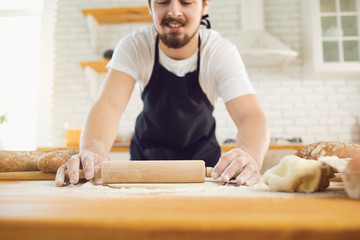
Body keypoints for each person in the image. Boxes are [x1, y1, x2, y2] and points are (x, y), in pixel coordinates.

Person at [55, 0, 270, 187]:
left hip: (205, 171)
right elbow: (108, 106)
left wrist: (249, 156)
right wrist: (92, 152)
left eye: (186, 2)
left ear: (205, 6)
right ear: (150, 6)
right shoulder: (134, 46)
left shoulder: (220, 52)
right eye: (162, 1)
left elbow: (250, 116)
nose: (174, 11)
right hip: (143, 169)